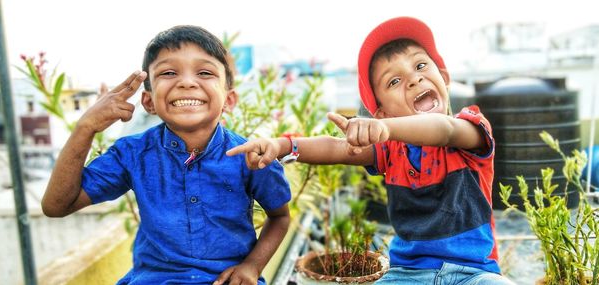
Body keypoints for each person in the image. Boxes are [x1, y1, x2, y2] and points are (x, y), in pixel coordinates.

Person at [227, 17, 514, 284]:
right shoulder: (391, 150)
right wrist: (283, 145)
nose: (414, 79)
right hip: (407, 275)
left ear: (445, 77)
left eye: (420, 66)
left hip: (475, 274)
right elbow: (338, 148)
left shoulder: (470, 129)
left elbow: (444, 130)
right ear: (382, 113)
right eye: (394, 81)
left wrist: (387, 130)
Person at [41, 25, 291, 285]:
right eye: (169, 72)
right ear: (148, 102)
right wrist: (86, 127)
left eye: (204, 72)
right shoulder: (132, 154)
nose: (186, 82)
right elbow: (56, 205)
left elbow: (280, 217)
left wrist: (252, 266)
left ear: (228, 100)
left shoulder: (249, 157)